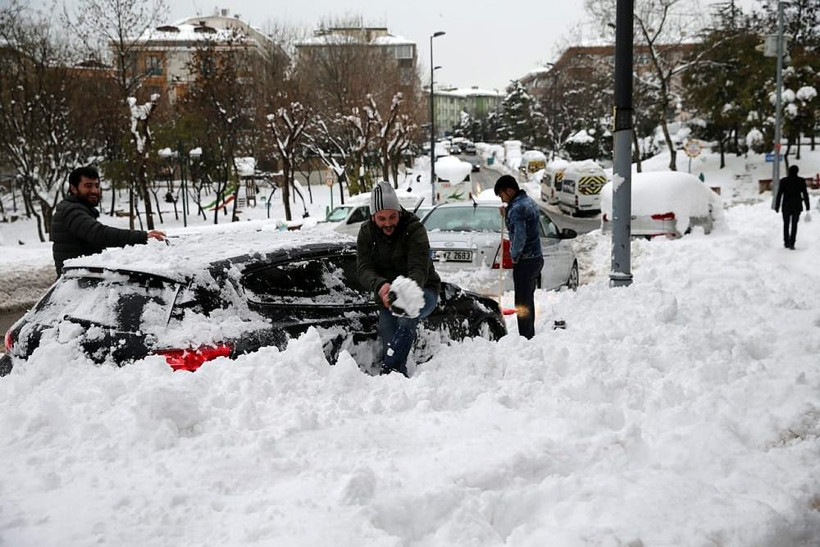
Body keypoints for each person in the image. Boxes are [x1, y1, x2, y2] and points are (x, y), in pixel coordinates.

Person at [357, 181, 441, 377]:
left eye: (392, 216)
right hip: (386, 295)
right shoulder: (366, 232)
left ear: (399, 212)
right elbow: (363, 268)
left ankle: (390, 372)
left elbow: (418, 268)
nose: (388, 223)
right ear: (373, 217)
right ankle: (397, 380)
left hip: (421, 291)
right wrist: (380, 286)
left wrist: (405, 293)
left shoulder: (414, 229)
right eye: (382, 218)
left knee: (406, 316)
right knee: (389, 338)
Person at [51, 166, 166, 275]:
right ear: (73, 188)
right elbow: (99, 234)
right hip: (75, 285)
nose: (94, 190)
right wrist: (142, 237)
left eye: (96, 185)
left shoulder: (76, 209)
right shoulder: (72, 211)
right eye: (88, 186)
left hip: (78, 280)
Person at [494, 175, 543, 339]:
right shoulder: (528, 202)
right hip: (536, 258)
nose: (502, 199)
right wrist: (507, 214)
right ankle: (529, 333)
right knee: (528, 298)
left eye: (502, 195)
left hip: (526, 260)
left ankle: (525, 337)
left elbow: (519, 236)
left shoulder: (517, 209)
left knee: (522, 301)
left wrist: (514, 255)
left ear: (509, 190)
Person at [774, 164, 810, 250]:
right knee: (794, 224)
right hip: (797, 206)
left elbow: (779, 194)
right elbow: (805, 194)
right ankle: (792, 242)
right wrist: (807, 205)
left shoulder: (784, 181)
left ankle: (786, 242)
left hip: (786, 205)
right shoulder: (801, 181)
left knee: (786, 224)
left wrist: (777, 206)